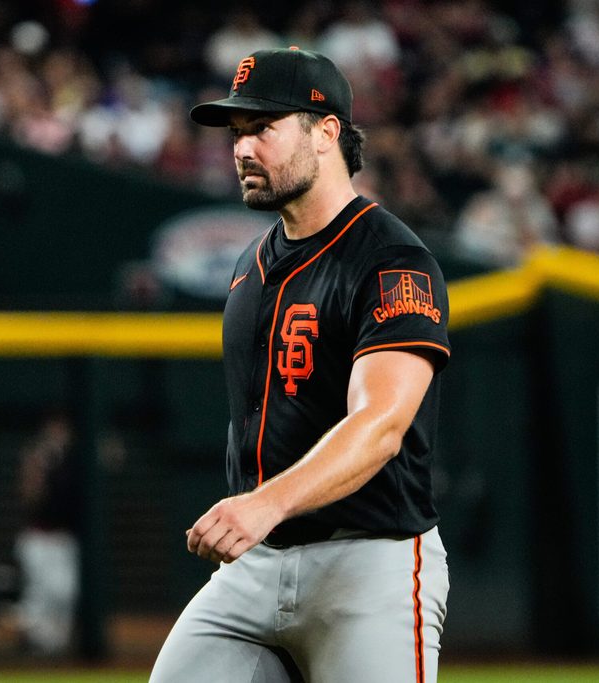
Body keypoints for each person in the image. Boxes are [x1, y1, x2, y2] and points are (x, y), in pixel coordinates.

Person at [151, 47, 452, 682]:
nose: (242, 148)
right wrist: (261, 516)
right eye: (237, 132)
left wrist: (265, 504)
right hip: (256, 566)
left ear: (326, 133)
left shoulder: (392, 258)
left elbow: (381, 424)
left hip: (369, 564)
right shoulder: (248, 267)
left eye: (263, 127)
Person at [14, 411, 80, 654]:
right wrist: (39, 466)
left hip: (64, 538)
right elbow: (30, 497)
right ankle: (35, 651)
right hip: (38, 537)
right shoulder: (37, 456)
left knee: (66, 592)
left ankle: (56, 650)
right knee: (39, 597)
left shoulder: (73, 459)